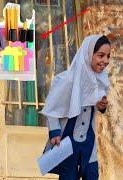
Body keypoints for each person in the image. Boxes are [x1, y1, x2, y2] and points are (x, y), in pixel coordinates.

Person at [41, 35, 110, 179]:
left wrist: (101, 105)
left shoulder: (99, 79)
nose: (105, 61)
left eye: (108, 56)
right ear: (88, 53)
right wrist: (54, 131)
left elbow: (96, 103)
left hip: (88, 142)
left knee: (91, 174)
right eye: (101, 55)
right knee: (68, 175)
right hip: (67, 140)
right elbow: (52, 108)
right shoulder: (67, 80)